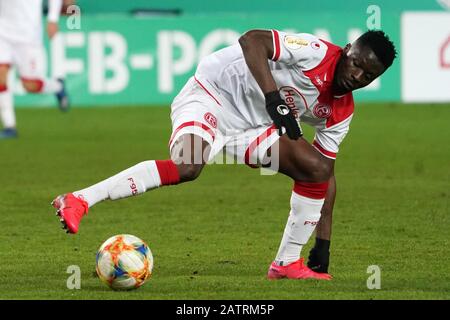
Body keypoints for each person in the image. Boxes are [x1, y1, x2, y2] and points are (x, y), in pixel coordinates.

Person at [52, 28, 396, 280]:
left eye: (369, 75)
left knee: (315, 169)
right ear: (348, 49)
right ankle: (79, 199)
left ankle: (288, 263)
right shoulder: (317, 51)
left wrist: (323, 245)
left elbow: (327, 176)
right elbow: (252, 40)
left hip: (253, 126)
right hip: (212, 94)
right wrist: (273, 98)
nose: (357, 75)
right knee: (188, 165)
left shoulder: (341, 111)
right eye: (356, 64)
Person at [0, 0, 70, 139]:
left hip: (28, 36)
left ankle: (57, 86)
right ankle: (10, 127)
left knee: (31, 86)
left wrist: (52, 19)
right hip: (3, 32)